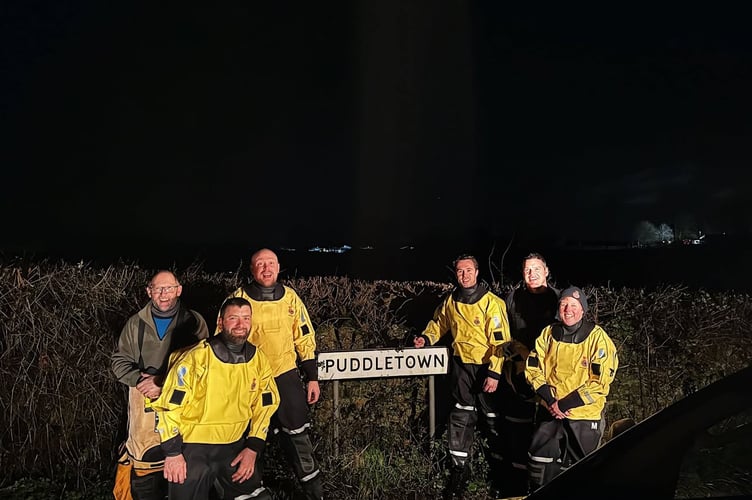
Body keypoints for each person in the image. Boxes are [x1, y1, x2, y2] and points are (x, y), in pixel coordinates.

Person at [152, 297, 280, 500]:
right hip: (192, 449)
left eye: (246, 318)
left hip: (234, 446)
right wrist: (173, 453)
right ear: (220, 322)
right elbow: (169, 406)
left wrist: (253, 447)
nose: (241, 324)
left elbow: (267, 404)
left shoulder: (259, 360)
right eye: (233, 318)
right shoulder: (196, 358)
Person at [222, 248, 323, 500]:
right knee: (250, 439)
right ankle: (253, 492)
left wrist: (312, 376)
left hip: (286, 376)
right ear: (252, 269)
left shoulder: (290, 298)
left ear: (278, 267)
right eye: (260, 264)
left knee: (297, 436)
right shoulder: (238, 299)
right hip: (249, 381)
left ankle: (314, 492)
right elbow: (222, 338)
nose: (266, 269)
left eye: (271, 263)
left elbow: (304, 336)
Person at [413, 254, 511, 499]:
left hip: (486, 368)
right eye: (460, 271)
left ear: (477, 273)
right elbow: (439, 323)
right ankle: (460, 471)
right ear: (455, 274)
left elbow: (502, 344)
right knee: (460, 417)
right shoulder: (451, 300)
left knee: (492, 420)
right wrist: (426, 339)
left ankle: (499, 474)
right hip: (461, 367)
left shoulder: (492, 303)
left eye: (468, 270)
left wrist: (495, 373)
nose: (464, 275)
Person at [112, 270, 209, 500]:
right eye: (158, 289)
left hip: (184, 414)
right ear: (149, 292)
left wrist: (162, 384)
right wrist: (138, 380)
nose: (164, 294)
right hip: (145, 418)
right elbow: (119, 362)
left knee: (182, 475)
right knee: (145, 476)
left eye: (169, 288)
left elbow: (206, 367)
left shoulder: (194, 322)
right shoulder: (135, 324)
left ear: (179, 290)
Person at [525, 286, 619, 491]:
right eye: (564, 304)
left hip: (583, 415)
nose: (568, 309)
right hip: (549, 410)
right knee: (539, 463)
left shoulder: (598, 339)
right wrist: (551, 401)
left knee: (581, 471)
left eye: (574, 305)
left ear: (583, 310)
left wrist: (565, 404)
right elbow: (532, 368)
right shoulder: (548, 334)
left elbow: (599, 384)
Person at [496, 253, 560, 496]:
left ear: (546, 271)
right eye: (527, 270)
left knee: (549, 431)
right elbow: (503, 336)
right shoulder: (512, 298)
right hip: (519, 376)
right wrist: (519, 353)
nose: (532, 274)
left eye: (536, 268)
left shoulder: (558, 298)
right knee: (518, 431)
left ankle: (549, 485)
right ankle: (517, 487)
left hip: (551, 377)